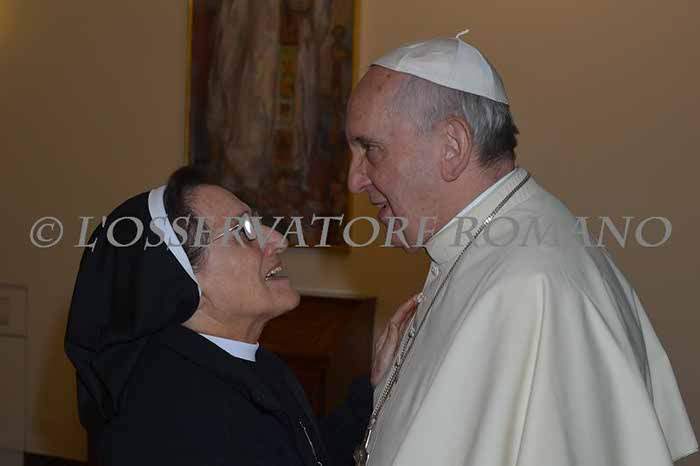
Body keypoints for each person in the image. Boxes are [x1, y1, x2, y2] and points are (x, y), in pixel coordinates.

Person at [345, 31, 697, 466]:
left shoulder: (533, 287)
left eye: (370, 149)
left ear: (452, 146)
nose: (354, 180)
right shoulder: (484, 248)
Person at [64, 166, 417, 466]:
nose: (278, 239)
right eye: (243, 232)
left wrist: (376, 388)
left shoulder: (240, 364)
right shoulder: (178, 418)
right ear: (181, 281)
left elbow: (307, 454)